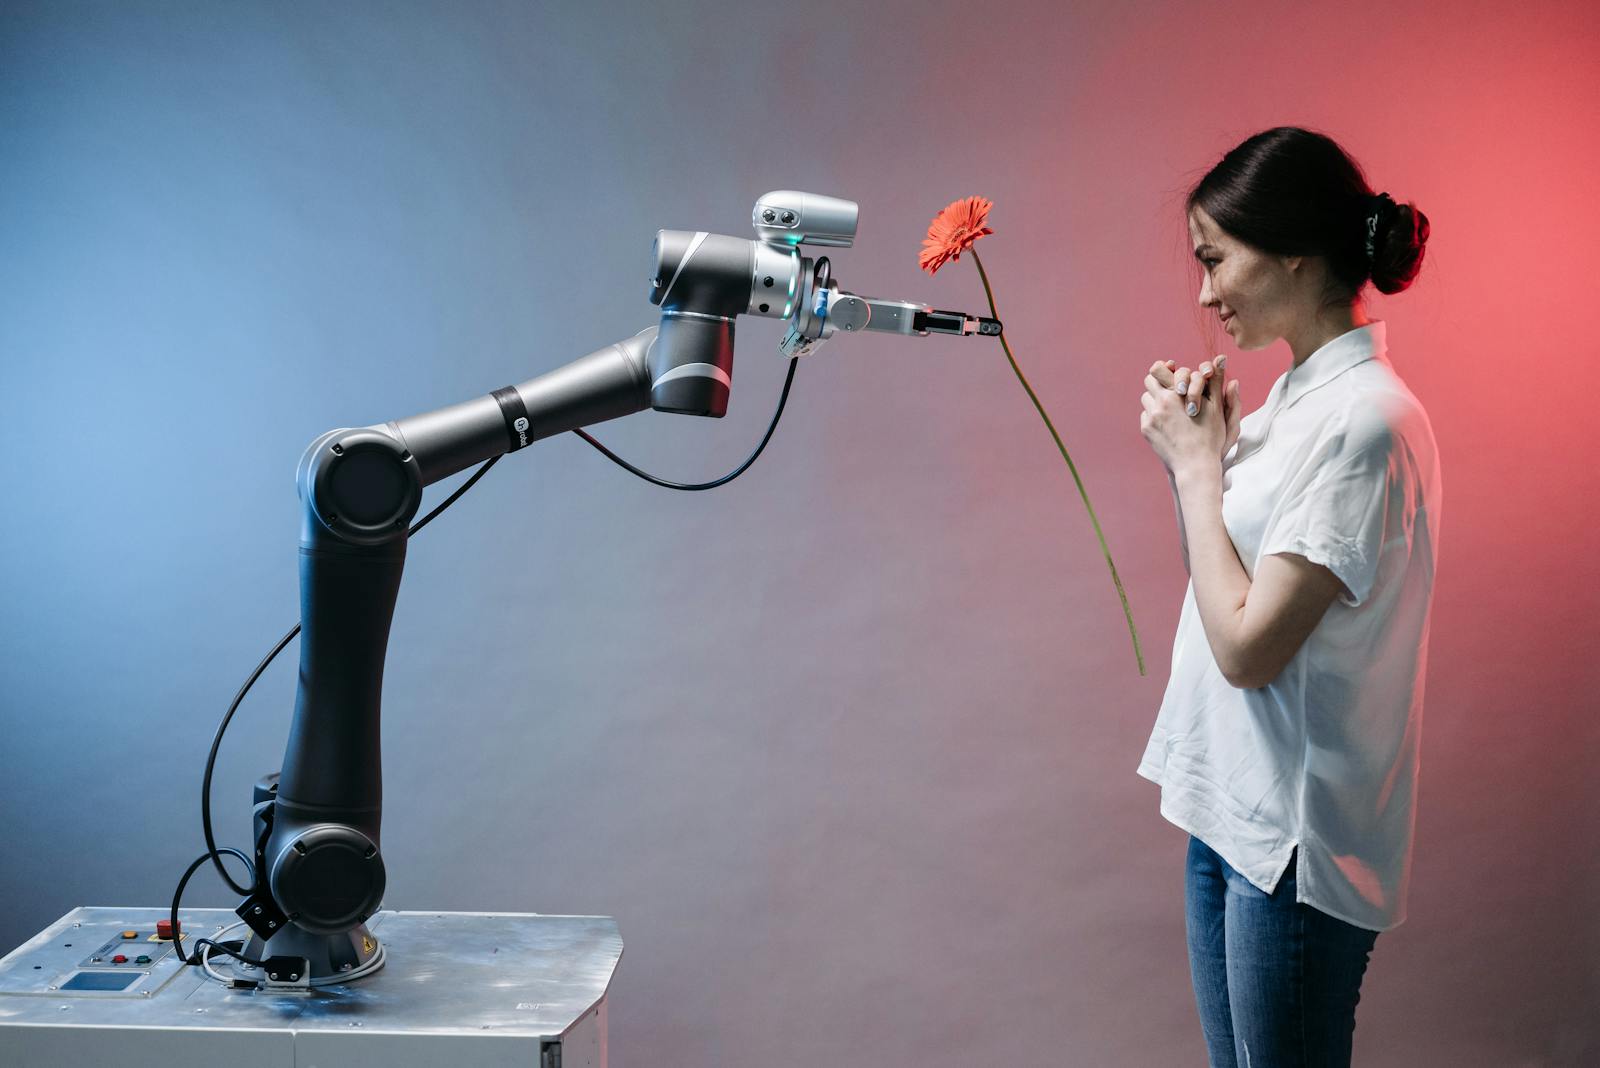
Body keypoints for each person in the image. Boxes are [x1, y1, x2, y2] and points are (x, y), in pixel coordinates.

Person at [1135, 126, 1441, 1068]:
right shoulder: (1293, 407)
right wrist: (1218, 451)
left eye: (1215, 259)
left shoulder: (1364, 423)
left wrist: (1195, 476)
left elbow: (1247, 648)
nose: (1203, 293)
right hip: (1234, 817)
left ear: (1294, 250)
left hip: (1291, 856)